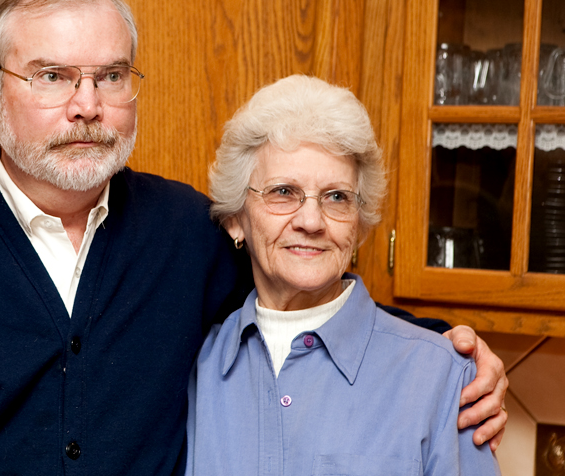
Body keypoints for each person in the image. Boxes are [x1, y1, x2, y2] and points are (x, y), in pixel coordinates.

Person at [0, 0, 506, 475]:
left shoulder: (185, 234)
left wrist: (448, 354)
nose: (87, 104)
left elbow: (299, 286)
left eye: (111, 76)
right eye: (54, 76)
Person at [186, 74, 501, 475]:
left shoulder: (443, 377)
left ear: (359, 225)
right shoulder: (198, 368)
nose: (312, 220)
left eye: (337, 197)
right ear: (235, 219)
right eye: (283, 191)